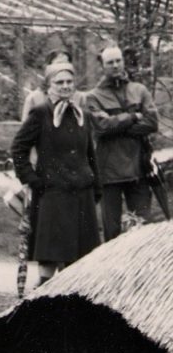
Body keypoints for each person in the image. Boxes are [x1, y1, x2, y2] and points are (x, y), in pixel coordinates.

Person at [11, 61, 101, 282]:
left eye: (69, 81)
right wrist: (32, 179)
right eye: (59, 82)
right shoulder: (41, 113)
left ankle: (75, 313)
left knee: (80, 265)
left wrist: (95, 185)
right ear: (48, 85)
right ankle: (44, 312)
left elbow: (90, 153)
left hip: (82, 197)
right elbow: (18, 148)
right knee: (49, 261)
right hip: (53, 196)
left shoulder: (83, 115)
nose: (65, 86)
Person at [85, 45, 159, 241]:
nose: (115, 65)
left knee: (143, 229)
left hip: (138, 168)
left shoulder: (139, 90)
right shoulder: (93, 97)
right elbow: (101, 127)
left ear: (123, 61)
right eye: (110, 62)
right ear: (102, 65)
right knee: (112, 231)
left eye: (118, 60)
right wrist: (134, 116)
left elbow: (152, 123)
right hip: (109, 172)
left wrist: (117, 125)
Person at [21, 48, 78, 120]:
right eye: (59, 64)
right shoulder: (34, 98)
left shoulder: (78, 97)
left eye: (66, 64)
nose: (63, 68)